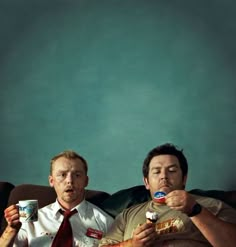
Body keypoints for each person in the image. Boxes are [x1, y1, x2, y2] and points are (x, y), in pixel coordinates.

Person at [99, 143, 236, 247]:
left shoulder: (212, 205)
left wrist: (195, 210)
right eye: (157, 172)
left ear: (184, 179)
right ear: (146, 182)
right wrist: (132, 243)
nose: (164, 177)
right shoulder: (126, 215)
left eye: (171, 170)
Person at [0, 150, 114, 247]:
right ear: (51, 181)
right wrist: (12, 229)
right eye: (62, 175)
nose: (69, 180)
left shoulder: (105, 222)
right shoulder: (32, 218)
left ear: (86, 181)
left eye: (77, 175)